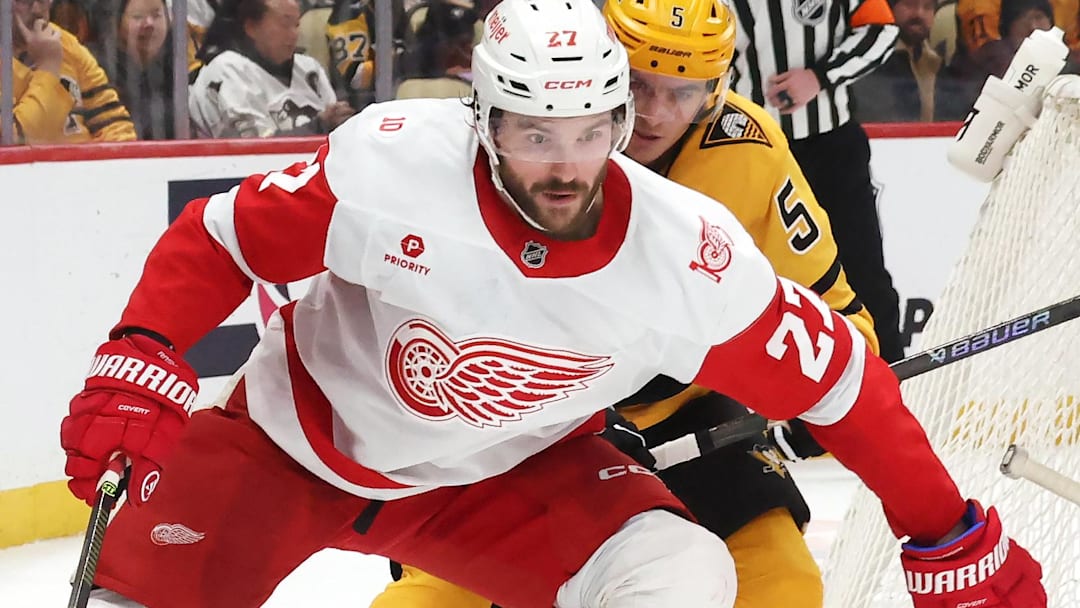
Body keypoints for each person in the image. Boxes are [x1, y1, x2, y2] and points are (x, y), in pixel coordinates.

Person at [62, 0, 1045, 607]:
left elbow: (841, 380)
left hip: (505, 476)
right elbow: (223, 237)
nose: (565, 164)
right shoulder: (394, 160)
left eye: (588, 130)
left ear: (617, 119)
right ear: (481, 119)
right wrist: (141, 346)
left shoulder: (686, 250)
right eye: (535, 132)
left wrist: (942, 527)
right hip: (288, 446)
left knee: (684, 576)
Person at [373, 0, 882, 606]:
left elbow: (836, 314)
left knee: (783, 586)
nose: (658, 115)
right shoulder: (510, 140)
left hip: (684, 418)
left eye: (685, 91)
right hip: (512, 428)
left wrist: (842, 383)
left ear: (717, 88)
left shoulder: (747, 151)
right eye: (638, 84)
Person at [726, 0, 906, 363]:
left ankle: (893, 383)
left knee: (863, 274)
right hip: (746, 149)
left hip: (830, 147)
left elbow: (880, 30)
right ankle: (773, 407)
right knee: (750, 283)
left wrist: (821, 76)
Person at [189, 0, 355, 137]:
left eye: (296, 24)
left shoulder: (309, 69)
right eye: (285, 24)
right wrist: (320, 126)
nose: (294, 34)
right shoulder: (226, 70)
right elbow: (253, 152)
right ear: (251, 27)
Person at [6, 0, 137, 143]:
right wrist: (48, 68)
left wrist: (103, 163)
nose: (37, 10)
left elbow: (116, 125)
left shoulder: (67, 44)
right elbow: (12, 142)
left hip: (84, 162)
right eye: (25, 1)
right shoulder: (53, 53)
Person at [88, 0, 203, 140]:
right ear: (115, 23)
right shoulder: (95, 70)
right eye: (137, 16)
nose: (149, 24)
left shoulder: (182, 63)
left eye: (156, 15)